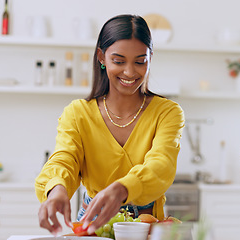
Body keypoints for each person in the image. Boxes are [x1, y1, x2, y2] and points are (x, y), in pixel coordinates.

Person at [35, 14, 184, 236]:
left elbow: (162, 165)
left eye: (140, 61)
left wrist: (123, 188)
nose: (130, 72)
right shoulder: (78, 113)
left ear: (151, 58)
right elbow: (64, 159)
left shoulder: (167, 112)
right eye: (119, 61)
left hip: (147, 225)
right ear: (101, 57)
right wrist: (57, 190)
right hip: (92, 226)